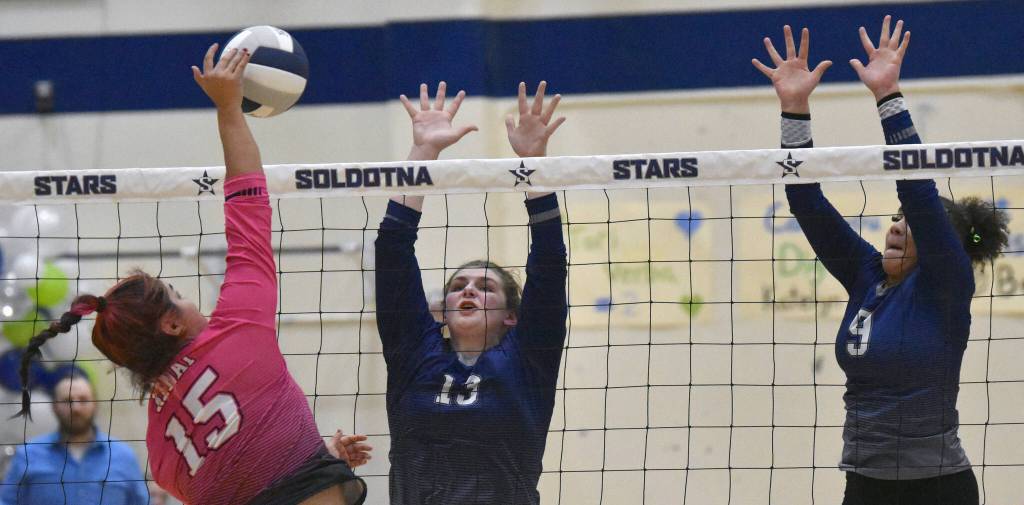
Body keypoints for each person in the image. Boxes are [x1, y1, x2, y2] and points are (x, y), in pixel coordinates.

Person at [16, 44, 371, 505]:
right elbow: (248, 205)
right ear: (172, 324)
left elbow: (250, 475)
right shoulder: (237, 332)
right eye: (177, 294)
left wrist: (310, 458)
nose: (189, 300)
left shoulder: (162, 455)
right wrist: (228, 108)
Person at [753, 17, 1010, 505]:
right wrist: (795, 109)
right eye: (894, 218)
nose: (895, 226)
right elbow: (807, 204)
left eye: (908, 222)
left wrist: (888, 96)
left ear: (939, 246)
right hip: (865, 486)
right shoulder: (866, 276)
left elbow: (918, 192)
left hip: (937, 489)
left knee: (919, 197)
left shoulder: (946, 287)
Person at [375, 80, 568, 504]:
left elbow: (550, 265)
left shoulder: (528, 359)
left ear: (512, 316)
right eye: (459, 286)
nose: (468, 292)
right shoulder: (415, 355)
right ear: (440, 311)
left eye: (485, 287)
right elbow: (392, 250)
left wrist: (535, 167)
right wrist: (422, 154)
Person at [1, 371, 149, 504]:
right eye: (67, 401)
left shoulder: (123, 456)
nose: (76, 408)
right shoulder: (28, 454)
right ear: (54, 406)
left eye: (83, 400)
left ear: (95, 404)